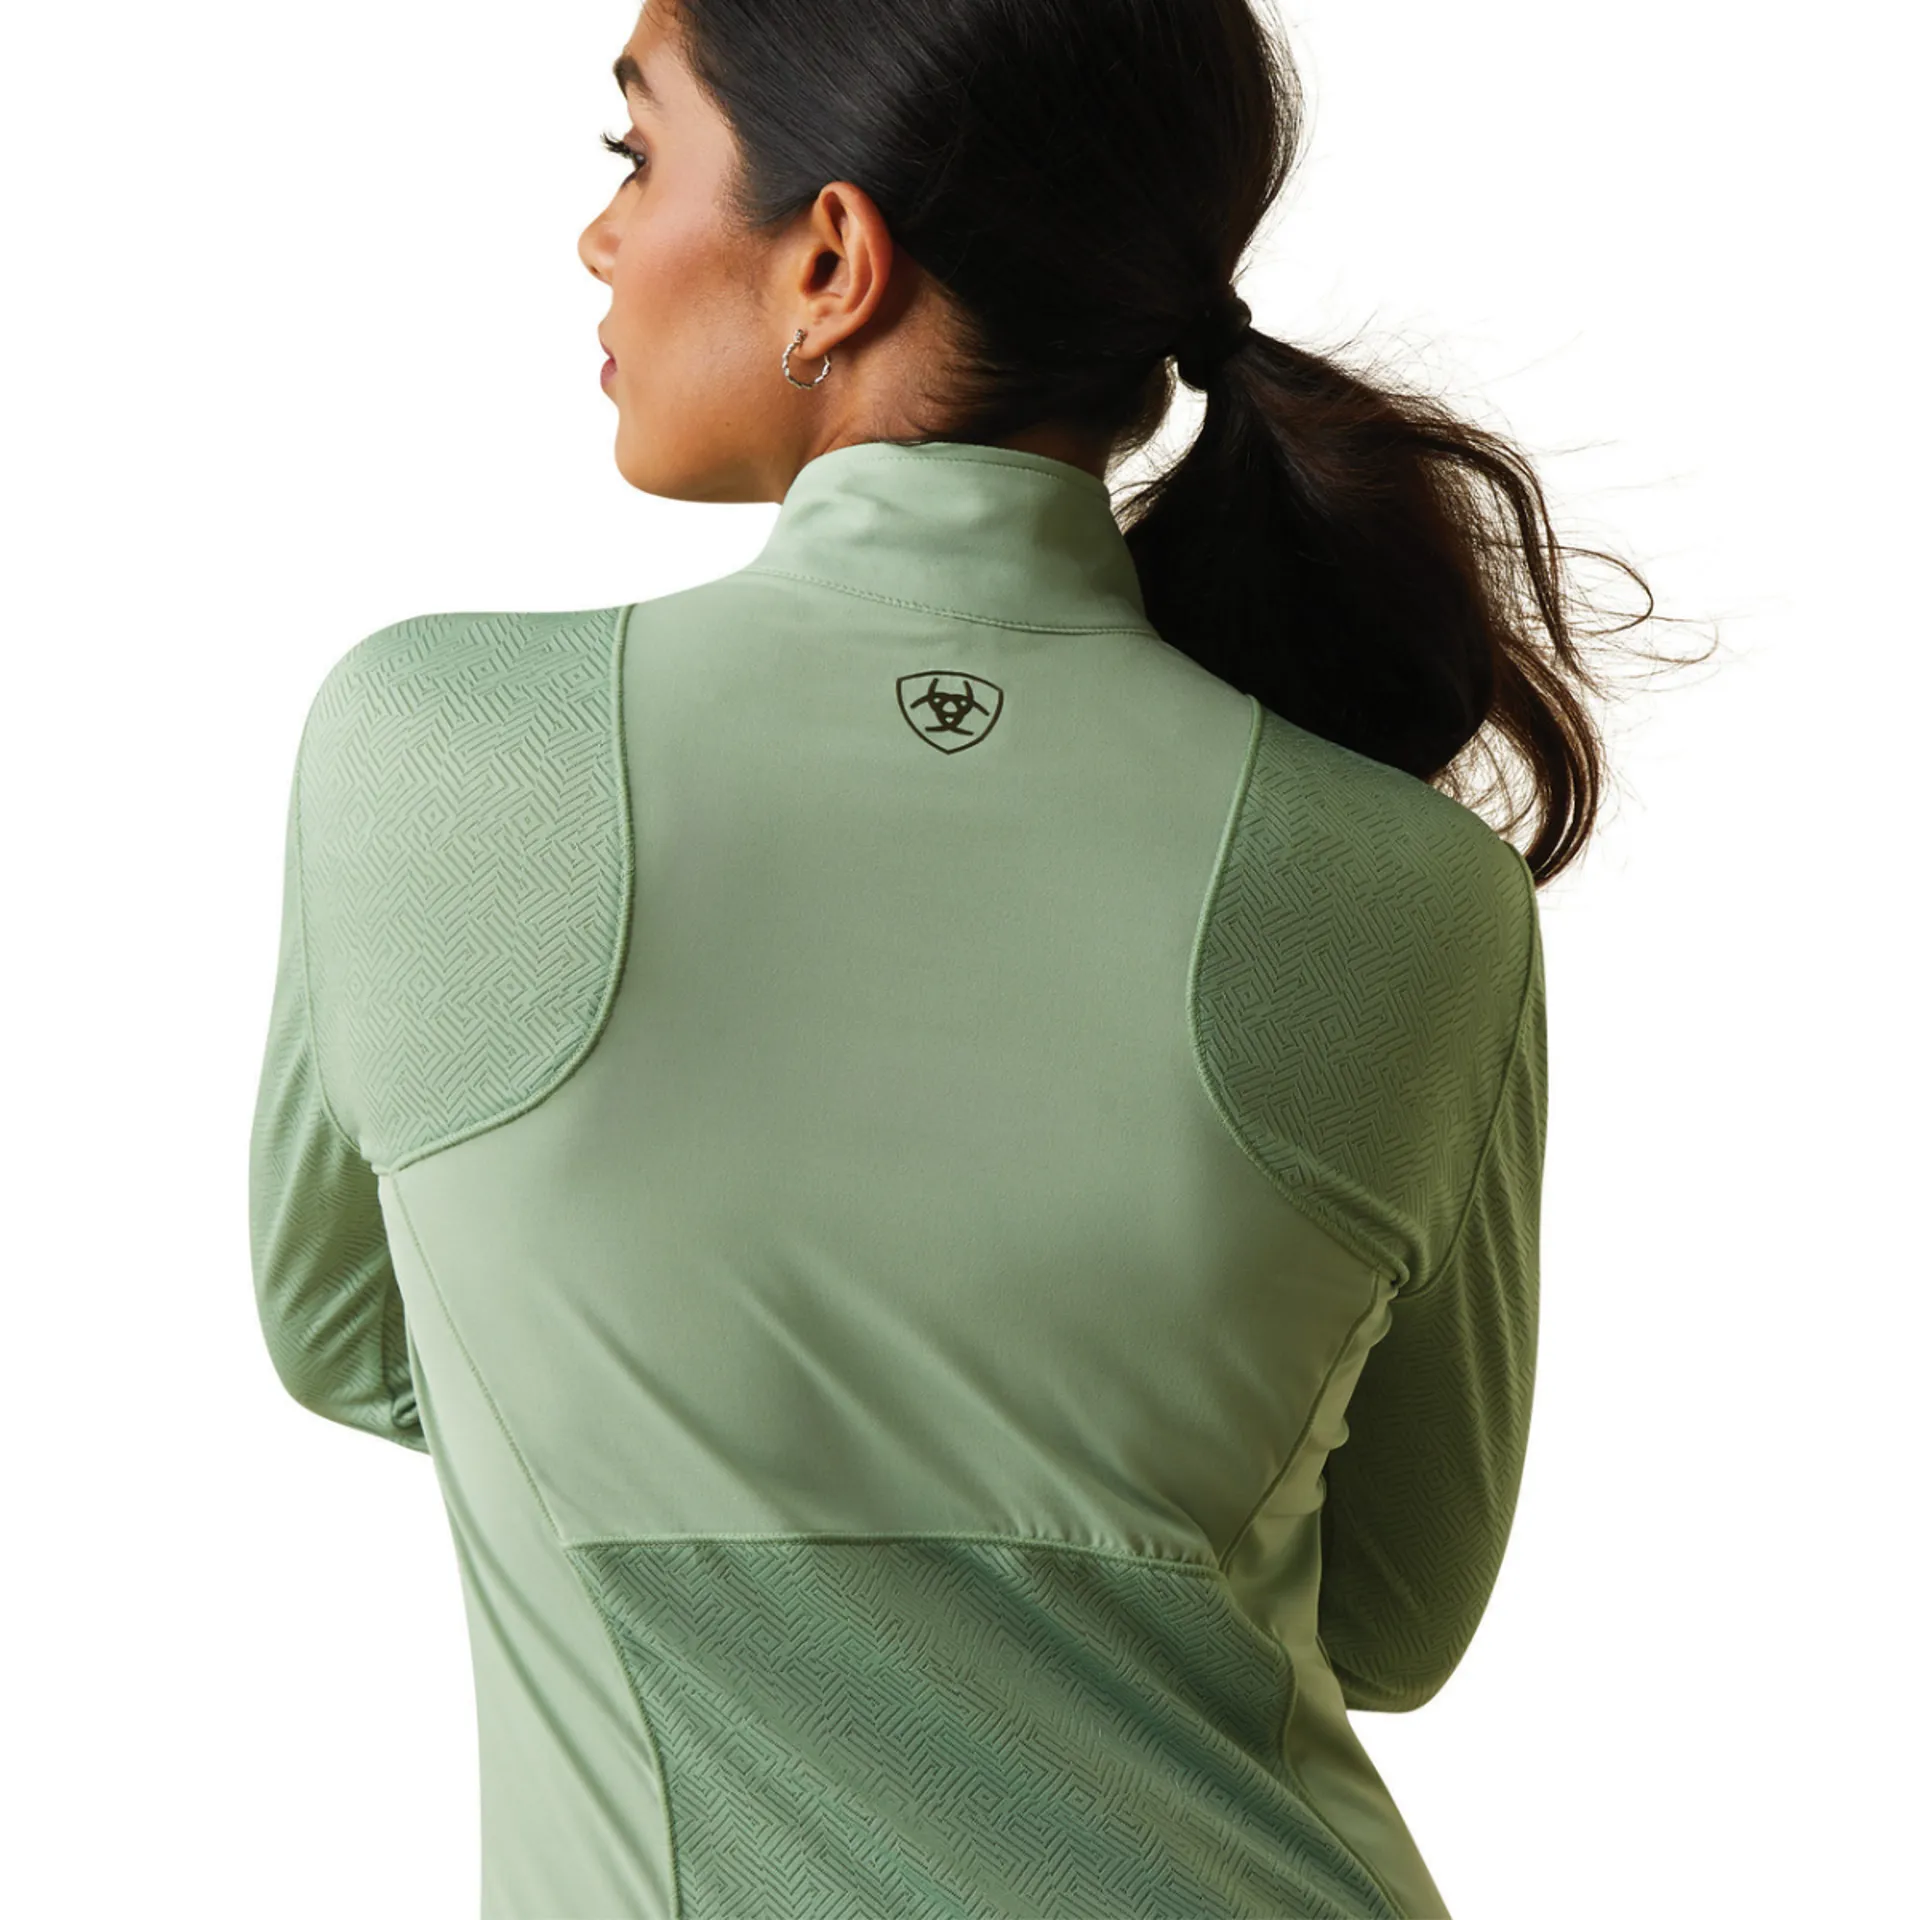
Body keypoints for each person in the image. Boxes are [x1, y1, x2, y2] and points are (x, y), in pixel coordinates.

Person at [248, 2, 1639, 1914]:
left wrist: (678, 1443)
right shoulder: (1415, 888)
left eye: (634, 155)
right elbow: (1389, 1616)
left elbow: (346, 1325)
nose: (599, 234)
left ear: (834, 259)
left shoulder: (438, 751)